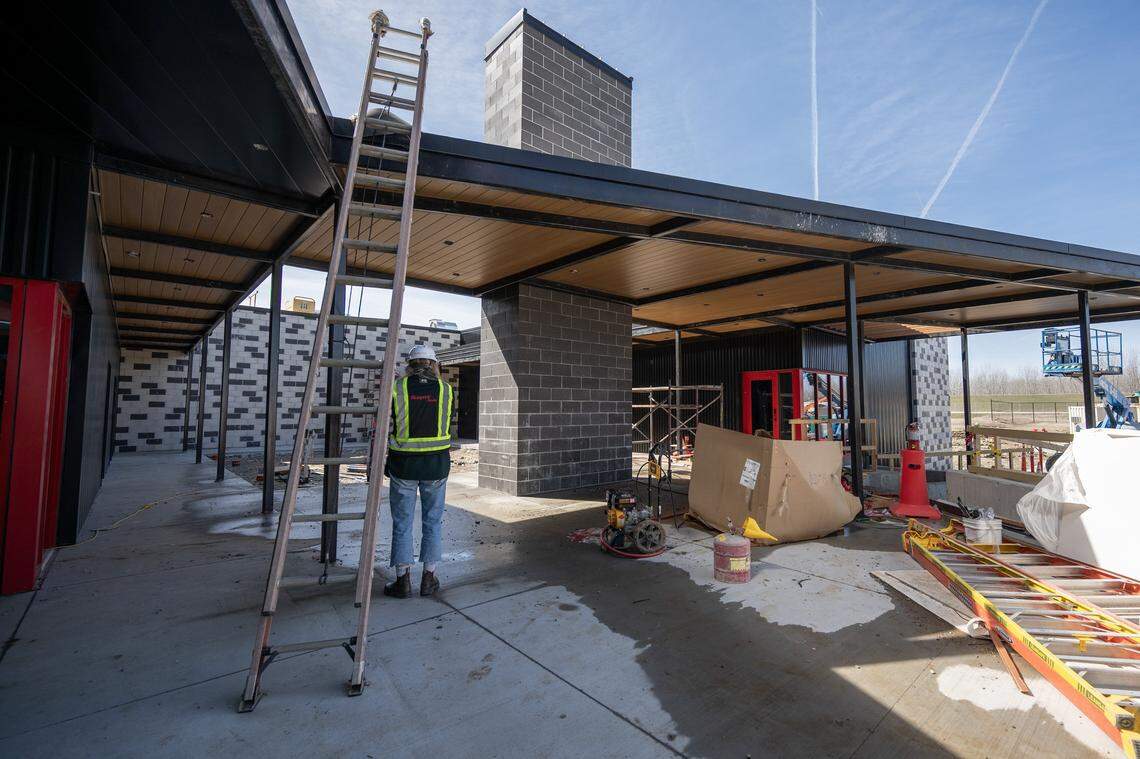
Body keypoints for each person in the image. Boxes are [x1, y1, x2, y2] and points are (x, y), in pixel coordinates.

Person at [383, 343, 455, 599]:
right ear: (433, 365)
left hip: (403, 465)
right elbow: (447, 423)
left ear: (410, 365)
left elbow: (388, 423)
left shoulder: (397, 388)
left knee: (402, 523)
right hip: (436, 465)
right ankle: (429, 578)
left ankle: (402, 580)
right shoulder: (446, 390)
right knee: (432, 522)